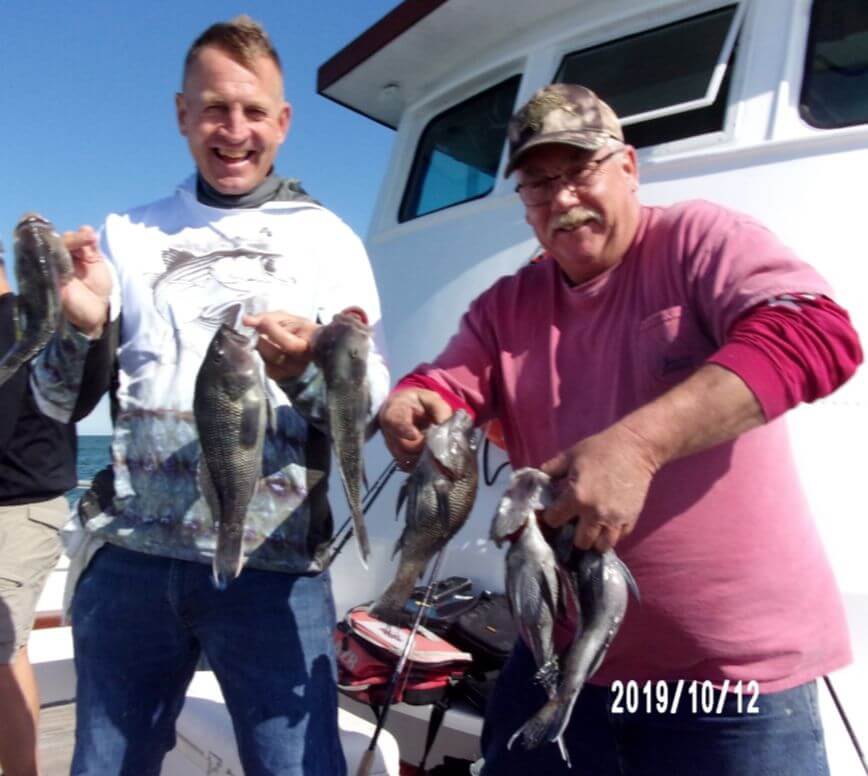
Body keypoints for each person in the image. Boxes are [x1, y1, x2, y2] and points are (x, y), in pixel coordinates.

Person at [378, 84, 863, 775]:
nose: (563, 199)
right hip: (562, 660)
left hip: (732, 683)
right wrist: (414, 399)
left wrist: (638, 445)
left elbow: (816, 332)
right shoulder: (506, 304)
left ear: (628, 167)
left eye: (580, 171)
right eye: (539, 184)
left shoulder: (699, 240)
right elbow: (449, 382)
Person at [29, 16, 389, 776]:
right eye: (215, 108)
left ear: (283, 122)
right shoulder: (127, 233)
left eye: (254, 110)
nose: (235, 130)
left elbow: (366, 408)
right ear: (182, 114)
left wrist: (300, 372)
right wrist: (78, 325)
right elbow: (59, 401)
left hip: (276, 568)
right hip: (131, 564)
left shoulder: (329, 240)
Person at [0, 238, 108, 776]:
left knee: (0, 651)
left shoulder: (26, 319)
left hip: (17, 511)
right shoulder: (33, 317)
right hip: (19, 508)